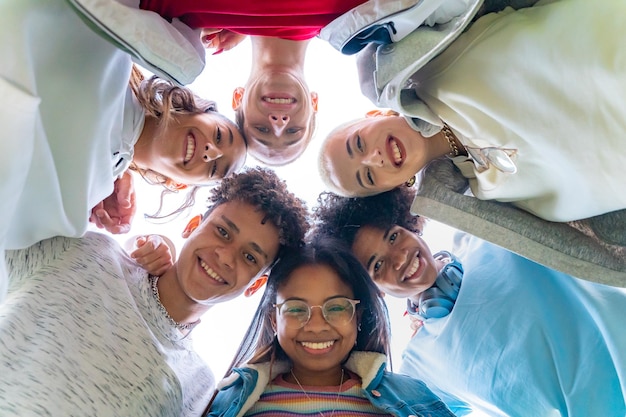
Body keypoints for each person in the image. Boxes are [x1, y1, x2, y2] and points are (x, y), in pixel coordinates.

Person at [0, 167, 309, 416]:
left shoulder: (198, 385)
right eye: (223, 231)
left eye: (250, 257)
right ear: (191, 226)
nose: (226, 257)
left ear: (254, 285)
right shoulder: (89, 249)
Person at [0, 0, 247, 300]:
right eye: (220, 136)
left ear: (181, 183)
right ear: (196, 108)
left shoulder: (87, 202)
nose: (211, 153)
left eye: (214, 168)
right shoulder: (116, 49)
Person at [313, 187, 626, 416]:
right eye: (377, 265)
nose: (399, 258)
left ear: (408, 224)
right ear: (374, 291)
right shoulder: (420, 364)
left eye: (394, 236)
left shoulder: (483, 231)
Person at [319, 0, 626, 222]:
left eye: (358, 144)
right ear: (396, 185)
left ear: (374, 115)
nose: (374, 158)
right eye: (369, 176)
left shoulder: (435, 62)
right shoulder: (491, 193)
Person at [204, 237, 456, 417]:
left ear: (358, 317)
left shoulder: (411, 397)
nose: (316, 326)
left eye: (336, 307)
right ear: (273, 320)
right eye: (295, 308)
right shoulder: (235, 402)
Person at [125, 0, 367, 165]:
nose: (279, 123)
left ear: (237, 98)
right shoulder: (352, 13)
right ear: (314, 102)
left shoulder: (185, 15)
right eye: (293, 131)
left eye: (262, 129)